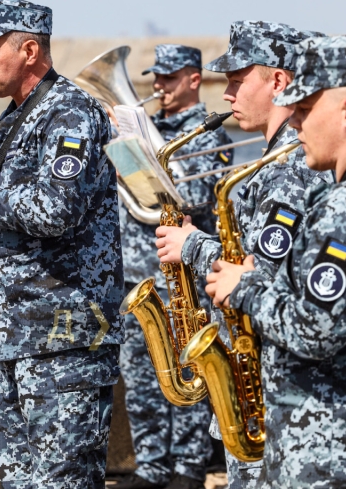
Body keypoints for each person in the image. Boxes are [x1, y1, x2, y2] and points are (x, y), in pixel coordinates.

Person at [202, 34, 346, 488]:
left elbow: (314, 330)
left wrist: (244, 286)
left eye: (306, 111)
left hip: (330, 456)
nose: (295, 125)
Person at [0, 0, 124, 488]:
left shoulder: (70, 113)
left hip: (66, 338)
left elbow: (58, 209)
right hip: (20, 336)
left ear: (30, 51)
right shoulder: (15, 119)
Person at [154, 21, 332, 488]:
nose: (227, 93)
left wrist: (191, 245)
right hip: (256, 375)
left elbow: (264, 273)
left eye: (238, 80)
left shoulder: (292, 167)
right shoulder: (274, 157)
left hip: (273, 389)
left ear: (278, 81)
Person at [113, 44, 231, 489]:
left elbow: (194, 197)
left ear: (194, 79)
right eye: (156, 78)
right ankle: (151, 466)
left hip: (178, 275)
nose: (158, 86)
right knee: (142, 379)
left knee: (186, 372)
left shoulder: (206, 134)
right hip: (136, 270)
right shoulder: (145, 129)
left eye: (168, 78)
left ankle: (187, 467)